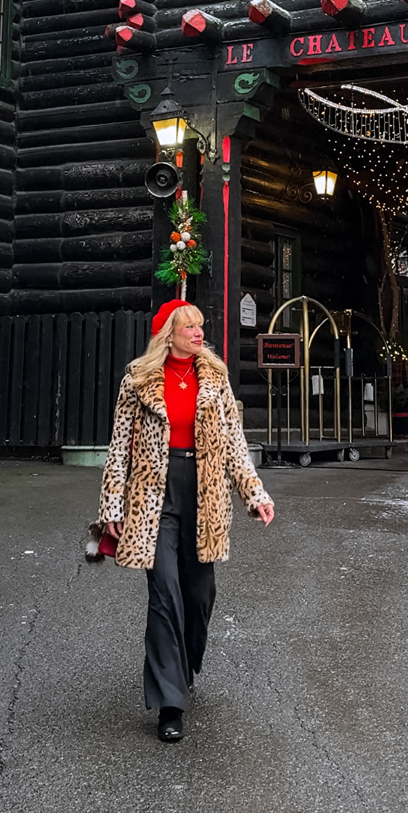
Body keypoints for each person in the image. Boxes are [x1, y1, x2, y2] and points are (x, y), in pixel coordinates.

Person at [98, 297, 275, 742]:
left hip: (205, 489)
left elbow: (235, 442)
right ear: (168, 334)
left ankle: (185, 665)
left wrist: (254, 494)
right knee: (165, 595)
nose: (199, 333)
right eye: (189, 327)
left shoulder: (215, 379)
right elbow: (119, 449)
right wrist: (111, 509)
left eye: (200, 326)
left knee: (199, 594)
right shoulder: (138, 382)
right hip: (153, 496)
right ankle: (170, 703)